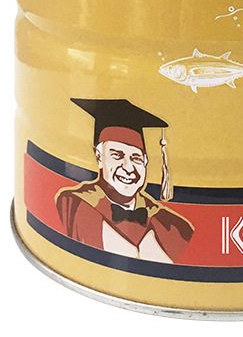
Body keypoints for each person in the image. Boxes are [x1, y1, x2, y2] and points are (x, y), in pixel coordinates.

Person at [56, 98, 194, 263]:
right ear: (99, 158)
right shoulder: (74, 204)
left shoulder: (170, 225)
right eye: (117, 155)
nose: (128, 168)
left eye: (136, 158)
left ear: (146, 162)